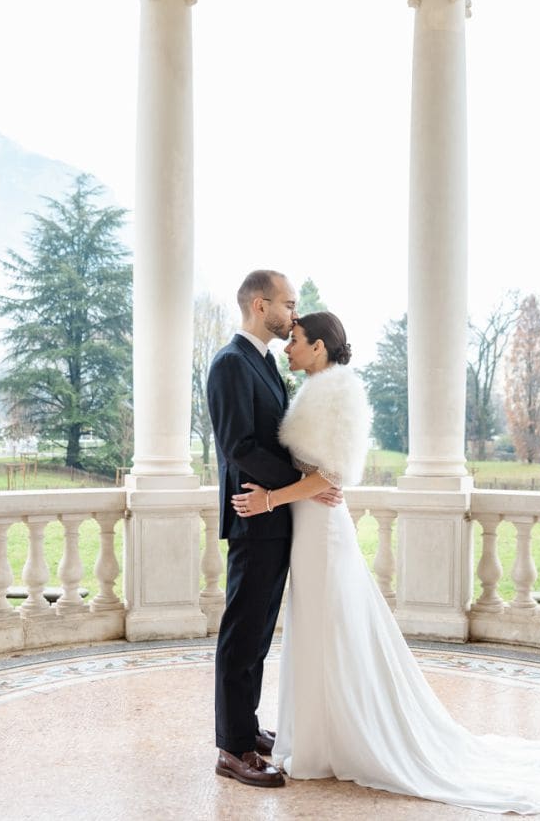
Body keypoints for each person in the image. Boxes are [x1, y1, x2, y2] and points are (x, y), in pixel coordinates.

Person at [231, 310, 540, 814]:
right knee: (313, 628)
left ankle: (337, 739)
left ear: (320, 347)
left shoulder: (338, 392)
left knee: (331, 629)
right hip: (308, 526)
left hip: (323, 529)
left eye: (297, 340)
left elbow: (332, 479)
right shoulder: (313, 389)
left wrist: (269, 500)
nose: (288, 347)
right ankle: (313, 737)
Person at [206, 270, 342, 789]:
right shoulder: (230, 363)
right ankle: (232, 748)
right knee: (241, 634)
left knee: (259, 633)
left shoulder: (264, 363)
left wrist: (300, 488)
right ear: (261, 307)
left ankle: (246, 725)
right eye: (288, 303)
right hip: (252, 515)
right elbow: (238, 446)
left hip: (275, 513)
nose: (294, 312)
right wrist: (302, 482)